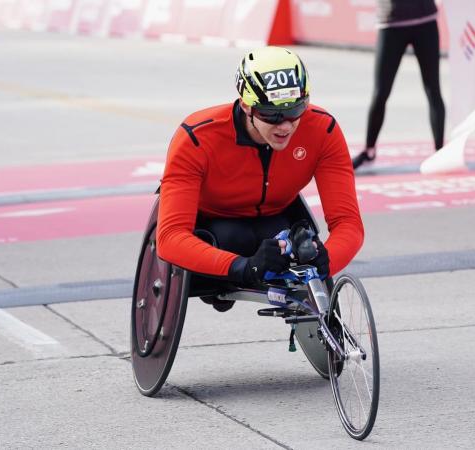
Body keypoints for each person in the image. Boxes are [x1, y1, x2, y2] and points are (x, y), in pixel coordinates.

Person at [156, 46, 364, 312]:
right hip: (214, 225)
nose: (285, 125)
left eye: (295, 110)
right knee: (235, 236)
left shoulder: (323, 130)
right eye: (271, 114)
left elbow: (349, 224)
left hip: (277, 216)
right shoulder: (197, 137)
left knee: (304, 248)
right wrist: (242, 267)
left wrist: (327, 261)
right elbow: (170, 237)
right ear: (246, 105)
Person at [352, 0, 446, 169]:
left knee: (433, 89)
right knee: (381, 92)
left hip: (425, 20)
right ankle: (369, 150)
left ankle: (440, 152)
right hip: (391, 22)